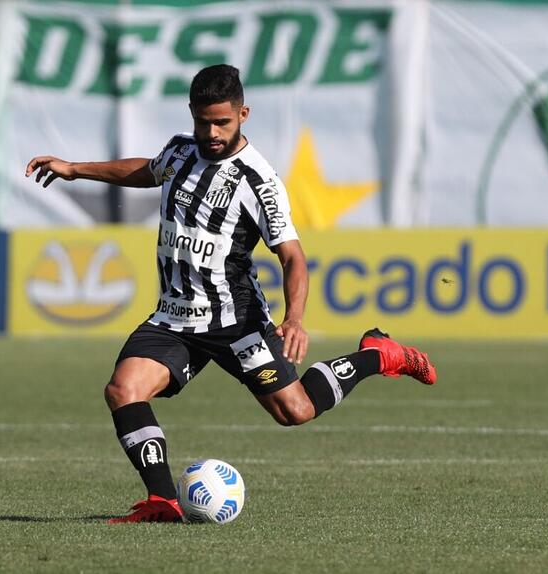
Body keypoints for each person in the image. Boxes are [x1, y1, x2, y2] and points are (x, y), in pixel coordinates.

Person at [25, 64, 436, 524]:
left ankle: (378, 355)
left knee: (295, 411)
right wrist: (76, 168)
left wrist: (294, 318)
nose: (212, 132)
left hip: (235, 322)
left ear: (243, 113)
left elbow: (293, 257)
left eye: (222, 122)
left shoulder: (258, 182)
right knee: (123, 390)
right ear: (192, 115)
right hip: (175, 318)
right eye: (204, 122)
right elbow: (147, 170)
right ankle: (163, 502)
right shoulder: (180, 152)